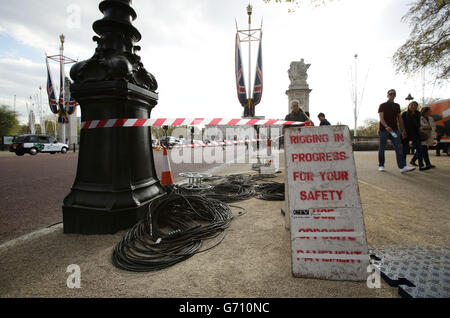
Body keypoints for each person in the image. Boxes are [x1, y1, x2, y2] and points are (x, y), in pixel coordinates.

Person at [378, 89, 415, 173]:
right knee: (382, 148)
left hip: (394, 130)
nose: (392, 95)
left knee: (399, 147)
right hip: (383, 130)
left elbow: (399, 118)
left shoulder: (397, 106)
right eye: (390, 94)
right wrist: (386, 126)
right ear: (387, 95)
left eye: (393, 94)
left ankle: (402, 166)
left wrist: (403, 130)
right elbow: (381, 117)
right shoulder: (382, 105)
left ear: (395, 95)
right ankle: (381, 165)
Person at [401, 101, 425, 170]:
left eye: (415, 105)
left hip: (415, 133)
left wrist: (420, 128)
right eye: (412, 105)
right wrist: (403, 131)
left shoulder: (418, 113)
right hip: (406, 133)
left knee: (419, 149)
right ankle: (403, 165)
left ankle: (421, 165)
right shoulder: (404, 114)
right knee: (405, 150)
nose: (413, 106)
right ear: (408, 106)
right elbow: (401, 123)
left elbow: (419, 123)